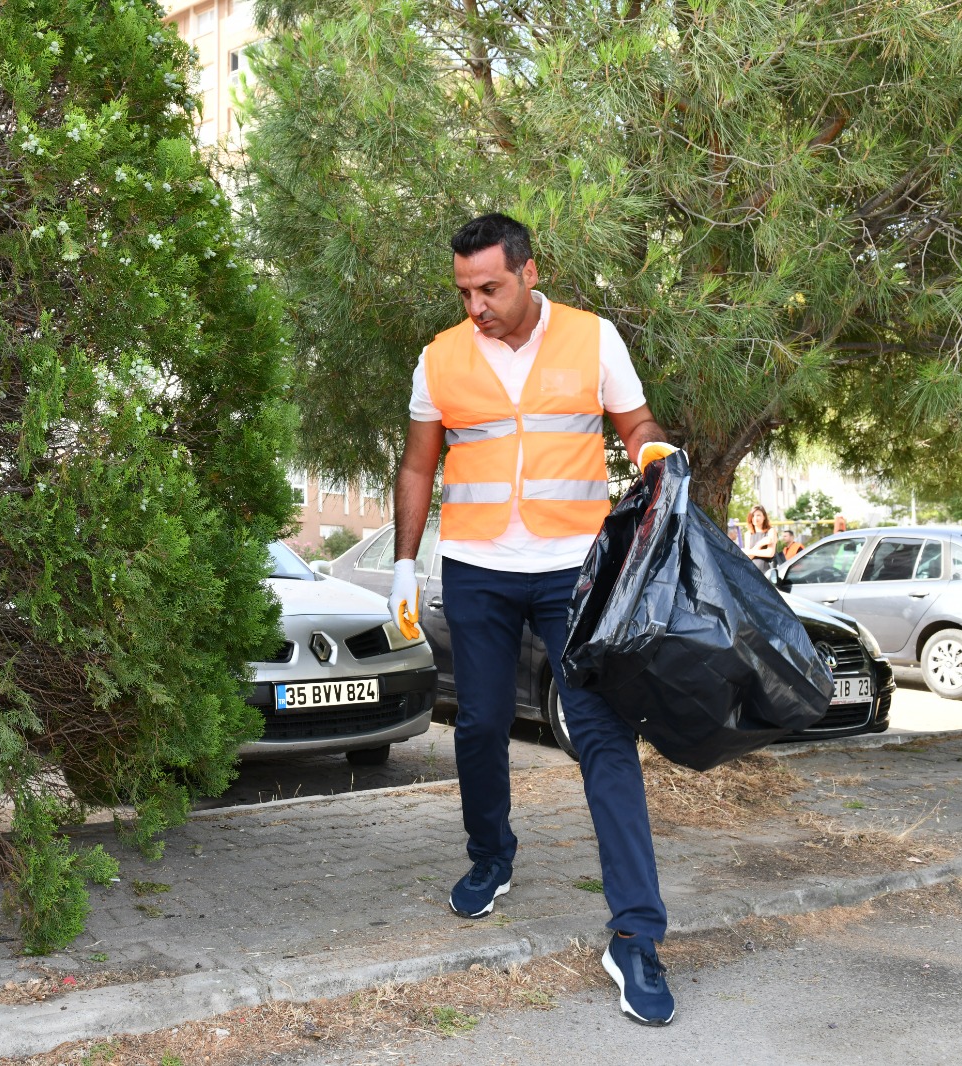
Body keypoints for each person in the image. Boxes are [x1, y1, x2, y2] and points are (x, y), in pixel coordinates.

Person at [389, 213, 677, 1027]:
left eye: (490, 287)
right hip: (478, 571)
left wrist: (652, 452)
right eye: (464, 290)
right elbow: (419, 462)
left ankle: (635, 935)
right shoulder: (439, 359)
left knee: (601, 736)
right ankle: (491, 857)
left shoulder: (593, 339)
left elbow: (638, 425)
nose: (475, 304)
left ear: (527, 271)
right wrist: (406, 563)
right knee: (478, 727)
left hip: (572, 572)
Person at [742, 505, 776, 575]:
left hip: (767, 572)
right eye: (753, 515)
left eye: (758, 515)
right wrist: (760, 544)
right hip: (752, 572)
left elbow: (770, 553)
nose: (755, 518)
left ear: (764, 517)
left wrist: (749, 551)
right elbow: (748, 557)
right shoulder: (748, 534)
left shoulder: (771, 531)